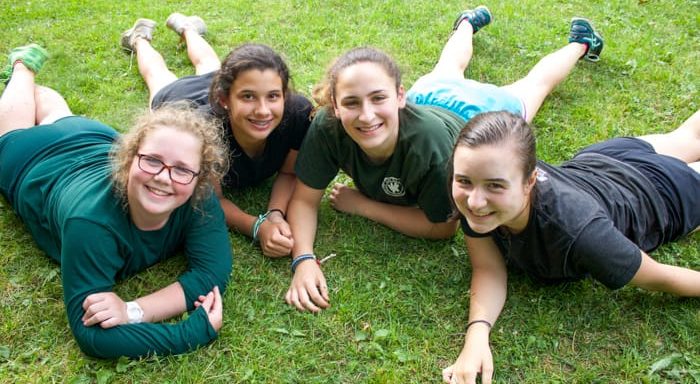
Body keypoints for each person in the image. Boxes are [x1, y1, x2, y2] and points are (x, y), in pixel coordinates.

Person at [284, 6, 604, 312]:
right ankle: (467, 22)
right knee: (449, 66)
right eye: (351, 102)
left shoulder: (432, 152)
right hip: (430, 95)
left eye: (378, 98)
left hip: (479, 117)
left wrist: (363, 206)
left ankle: (581, 42)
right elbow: (304, 198)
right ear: (335, 107)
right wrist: (303, 259)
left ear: (398, 96)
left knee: (534, 87)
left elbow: (441, 227)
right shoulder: (328, 125)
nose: (366, 115)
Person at [0, 44, 233, 359]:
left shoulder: (199, 195)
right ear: (129, 158)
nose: (164, 177)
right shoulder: (91, 224)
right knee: (11, 131)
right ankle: (22, 65)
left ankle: (32, 85)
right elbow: (91, 334)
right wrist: (190, 332)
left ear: (199, 176)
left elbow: (212, 270)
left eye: (180, 169)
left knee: (60, 117)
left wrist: (132, 310)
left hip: (89, 135)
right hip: (33, 157)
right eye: (152, 161)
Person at [443, 110, 700, 384]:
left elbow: (661, 276)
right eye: (464, 181)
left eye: (495, 186)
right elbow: (488, 267)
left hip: (664, 192)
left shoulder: (582, 235)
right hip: (603, 160)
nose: (474, 202)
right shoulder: (477, 191)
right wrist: (477, 337)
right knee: (687, 137)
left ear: (530, 180)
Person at [121, 13, 313, 257]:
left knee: (208, 65)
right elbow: (214, 200)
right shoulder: (201, 134)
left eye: (273, 96)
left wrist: (275, 213)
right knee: (158, 75)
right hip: (181, 104)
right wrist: (256, 226)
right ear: (225, 100)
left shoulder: (297, 113)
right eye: (248, 96)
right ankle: (139, 39)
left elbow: (288, 172)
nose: (263, 110)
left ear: (284, 96)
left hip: (220, 91)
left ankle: (188, 29)